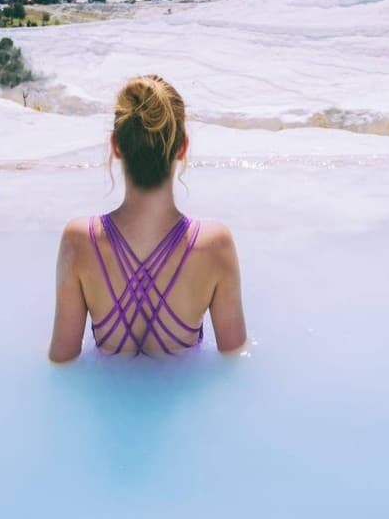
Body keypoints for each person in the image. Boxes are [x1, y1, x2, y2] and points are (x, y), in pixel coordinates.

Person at [48, 74, 247, 362]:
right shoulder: (215, 244)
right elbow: (234, 359)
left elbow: (61, 360)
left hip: (107, 404)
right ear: (182, 148)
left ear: (116, 146)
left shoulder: (79, 240)